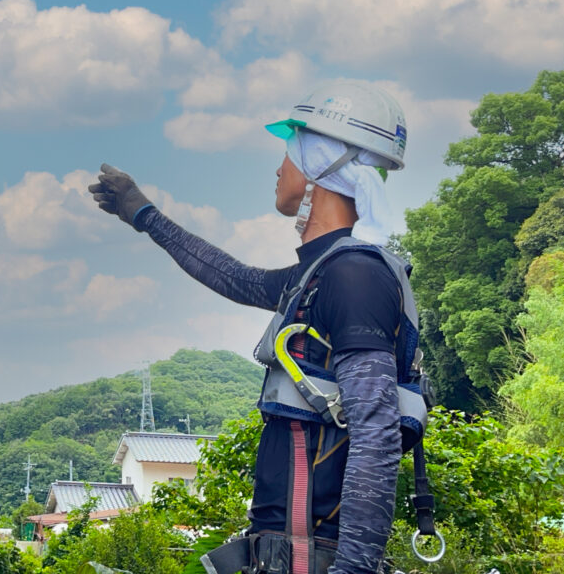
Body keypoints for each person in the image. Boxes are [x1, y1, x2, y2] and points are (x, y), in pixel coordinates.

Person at [90, 82, 431, 574]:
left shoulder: (355, 277)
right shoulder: (321, 274)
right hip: (284, 556)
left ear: (321, 163)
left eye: (288, 154)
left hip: (314, 560)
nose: (278, 169)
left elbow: (375, 434)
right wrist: (144, 215)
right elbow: (235, 278)